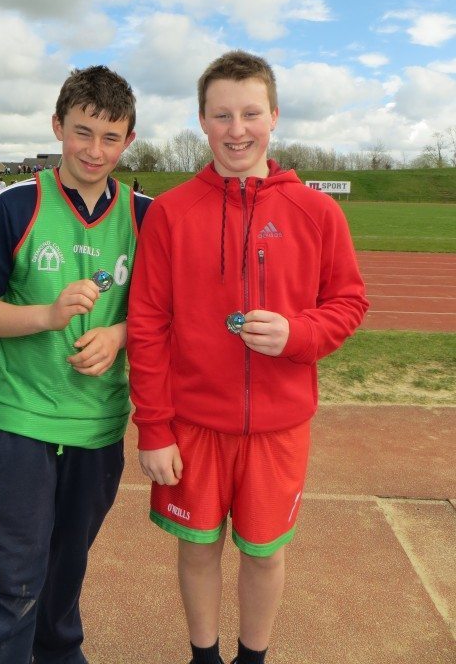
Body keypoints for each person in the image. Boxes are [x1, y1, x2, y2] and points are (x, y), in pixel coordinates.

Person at [126, 50, 369, 664]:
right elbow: (148, 324)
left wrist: (299, 334)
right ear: (202, 122)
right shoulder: (171, 213)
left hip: (278, 427)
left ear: (274, 116)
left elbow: (348, 302)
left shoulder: (317, 212)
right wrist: (154, 427)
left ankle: (253, 658)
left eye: (251, 113)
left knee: (264, 551)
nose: (238, 129)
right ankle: (203, 657)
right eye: (222, 115)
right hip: (193, 424)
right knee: (199, 547)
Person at [0, 65, 151, 664]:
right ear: (57, 127)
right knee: (9, 581)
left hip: (98, 428)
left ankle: (59, 652)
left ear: (129, 140)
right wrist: (46, 314)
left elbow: (161, 317)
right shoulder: (15, 205)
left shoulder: (146, 216)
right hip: (23, 424)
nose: (95, 150)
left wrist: (118, 333)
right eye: (82, 132)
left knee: (66, 573)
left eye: (110, 137)